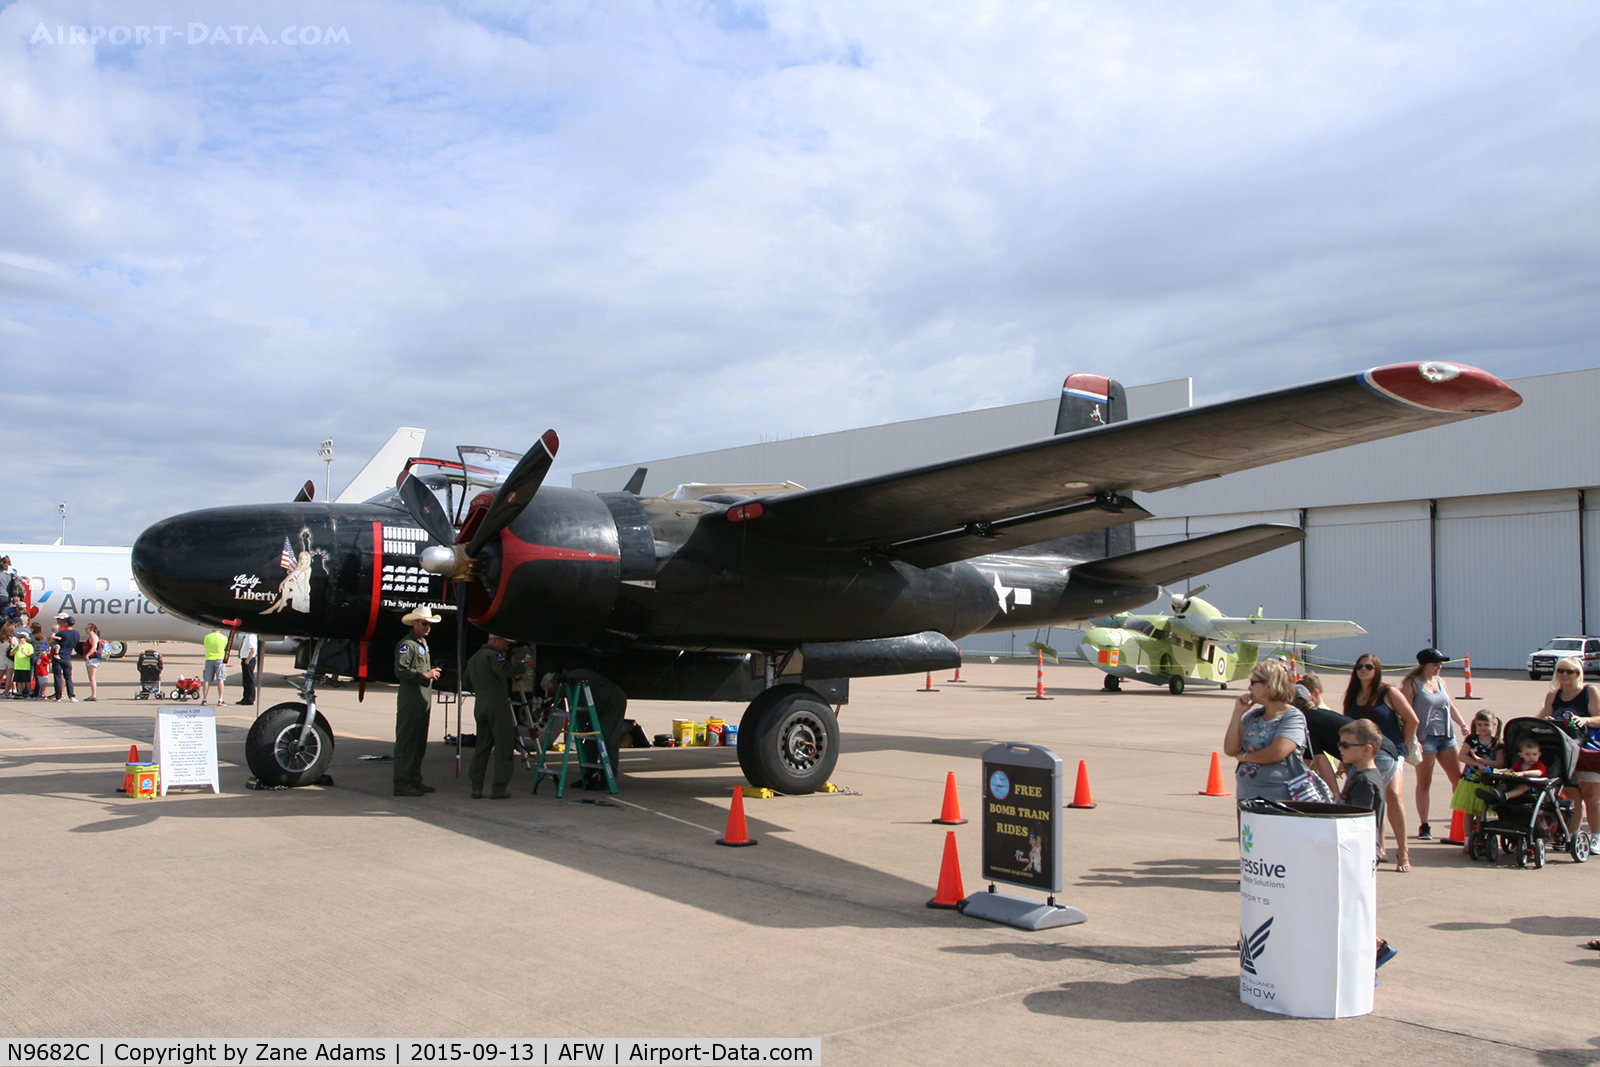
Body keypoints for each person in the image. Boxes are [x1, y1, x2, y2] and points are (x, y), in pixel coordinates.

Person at [1345, 654, 1420, 871]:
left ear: (1377, 670)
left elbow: (1412, 719)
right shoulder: (1353, 695)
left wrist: (1399, 745)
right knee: (1374, 799)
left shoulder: (1389, 692)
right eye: (1359, 666)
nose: (1363, 670)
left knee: (1392, 796)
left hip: (1389, 753)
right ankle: (1380, 847)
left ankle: (1403, 852)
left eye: (1369, 666)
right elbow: (1348, 726)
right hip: (1361, 755)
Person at [1338, 718, 1398, 970]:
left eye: (1345, 745)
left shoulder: (1364, 782)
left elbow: (1357, 823)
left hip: (1357, 854)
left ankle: (1373, 951)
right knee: (1351, 908)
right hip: (1362, 852)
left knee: (1350, 908)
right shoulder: (1369, 776)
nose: (1340, 749)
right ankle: (1374, 948)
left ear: (1367, 749)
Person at [1401, 648, 1469, 841]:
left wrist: (1463, 724)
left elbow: (1450, 705)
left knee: (1459, 780)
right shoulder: (1412, 684)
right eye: (1435, 664)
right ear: (1424, 665)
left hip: (1446, 737)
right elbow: (1404, 711)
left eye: (1440, 664)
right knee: (1424, 782)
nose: (1439, 668)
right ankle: (1424, 825)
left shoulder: (1440, 681)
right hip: (1425, 739)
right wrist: (1411, 738)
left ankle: (1462, 822)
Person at [1224, 660, 1308, 802]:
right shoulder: (1253, 716)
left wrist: (1244, 757)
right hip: (1247, 796)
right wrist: (1238, 713)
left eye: (1253, 682)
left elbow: (1277, 752)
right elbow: (1230, 749)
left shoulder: (1292, 717)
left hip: (1278, 797)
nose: (1249, 687)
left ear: (1268, 686)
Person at [1538, 656, 1600, 838]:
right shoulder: (1553, 695)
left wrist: (1585, 720)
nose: (1564, 675)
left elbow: (1599, 717)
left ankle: (1596, 837)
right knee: (1573, 795)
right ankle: (1573, 835)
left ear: (1578, 674)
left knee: (1591, 795)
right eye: (1560, 671)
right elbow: (1542, 716)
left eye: (1569, 671)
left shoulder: (1589, 691)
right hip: (1563, 751)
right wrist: (1546, 720)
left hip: (1586, 749)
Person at [466, 635, 533, 799]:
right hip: (497, 705)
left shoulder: (474, 658)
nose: (506, 648)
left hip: (480, 704)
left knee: (482, 746)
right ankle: (499, 788)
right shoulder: (493, 656)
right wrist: (523, 665)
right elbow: (503, 670)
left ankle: (476, 787)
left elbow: (467, 682)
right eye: (504, 643)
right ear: (494, 640)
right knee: (504, 746)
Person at [541, 669, 628, 788]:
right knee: (590, 742)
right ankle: (589, 776)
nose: (554, 695)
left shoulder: (574, 683)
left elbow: (581, 714)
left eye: (552, 692)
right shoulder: (570, 682)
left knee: (607, 740)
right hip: (598, 705)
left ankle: (608, 779)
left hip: (612, 703)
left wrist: (577, 731)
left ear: (555, 684)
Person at [393, 609, 442, 797]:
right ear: (414, 623)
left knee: (419, 742)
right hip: (411, 699)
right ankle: (401, 782)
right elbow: (401, 671)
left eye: (429, 624)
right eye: (424, 623)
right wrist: (424, 675)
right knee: (407, 740)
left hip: (423, 699)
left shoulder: (422, 643)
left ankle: (414, 779)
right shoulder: (407, 645)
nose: (428, 627)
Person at [1293, 672, 1355, 793]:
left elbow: (1318, 758)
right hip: (1349, 760)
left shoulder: (1309, 721)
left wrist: (1297, 778)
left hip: (1323, 772)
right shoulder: (1324, 714)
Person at [1450, 710, 1503, 837]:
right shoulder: (1472, 739)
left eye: (1486, 724)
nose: (1483, 728)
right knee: (1468, 813)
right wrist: (1477, 764)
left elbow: (1500, 763)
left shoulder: (1497, 743)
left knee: (1481, 814)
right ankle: (1468, 840)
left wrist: (1482, 761)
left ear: (1494, 725)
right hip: (1469, 781)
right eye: (1479, 725)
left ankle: (1480, 839)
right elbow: (1462, 756)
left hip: (1486, 783)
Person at [1479, 738, 1547, 805]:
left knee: (1523, 786)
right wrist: (1508, 771)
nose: (1532, 757)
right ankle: (1492, 796)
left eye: (1535, 754)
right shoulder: (1520, 763)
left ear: (1539, 754)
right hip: (1517, 784)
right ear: (1521, 755)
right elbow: (1512, 769)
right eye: (1528, 755)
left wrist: (1522, 773)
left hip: (1534, 788)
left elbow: (1538, 773)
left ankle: (1505, 796)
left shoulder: (1539, 765)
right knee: (1502, 785)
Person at [49, 614, 79, 701]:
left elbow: (52, 641)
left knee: (57, 676)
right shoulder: (76, 633)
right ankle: (72, 696)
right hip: (67, 656)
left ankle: (58, 696)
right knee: (68, 677)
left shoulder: (62, 633)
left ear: (66, 623)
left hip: (58, 656)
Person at [200, 626, 228, 706]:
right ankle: (220, 699)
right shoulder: (223, 637)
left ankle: (204, 699)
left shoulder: (207, 637)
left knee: (207, 679)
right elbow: (224, 647)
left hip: (209, 658)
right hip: (219, 658)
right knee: (220, 679)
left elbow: (206, 645)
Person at [81, 623, 102, 701]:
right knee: (91, 677)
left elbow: (94, 647)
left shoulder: (93, 636)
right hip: (92, 659)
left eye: (87, 628)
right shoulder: (92, 636)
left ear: (91, 629)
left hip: (93, 659)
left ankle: (94, 695)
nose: (86, 630)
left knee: (92, 677)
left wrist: (87, 655)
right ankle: (93, 694)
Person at [12, 628, 34, 699]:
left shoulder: (29, 646)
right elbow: (11, 653)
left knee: (27, 680)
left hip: (25, 666)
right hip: (18, 666)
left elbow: (31, 654)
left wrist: (26, 654)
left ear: (25, 638)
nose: (20, 639)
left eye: (21, 637)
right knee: (19, 681)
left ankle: (30, 692)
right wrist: (16, 649)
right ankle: (19, 692)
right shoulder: (17, 646)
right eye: (19, 637)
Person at [238, 631, 258, 705]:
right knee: (246, 680)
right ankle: (245, 697)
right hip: (245, 658)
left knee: (249, 680)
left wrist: (248, 659)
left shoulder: (251, 636)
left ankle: (250, 699)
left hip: (248, 659)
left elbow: (252, 650)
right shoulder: (247, 636)